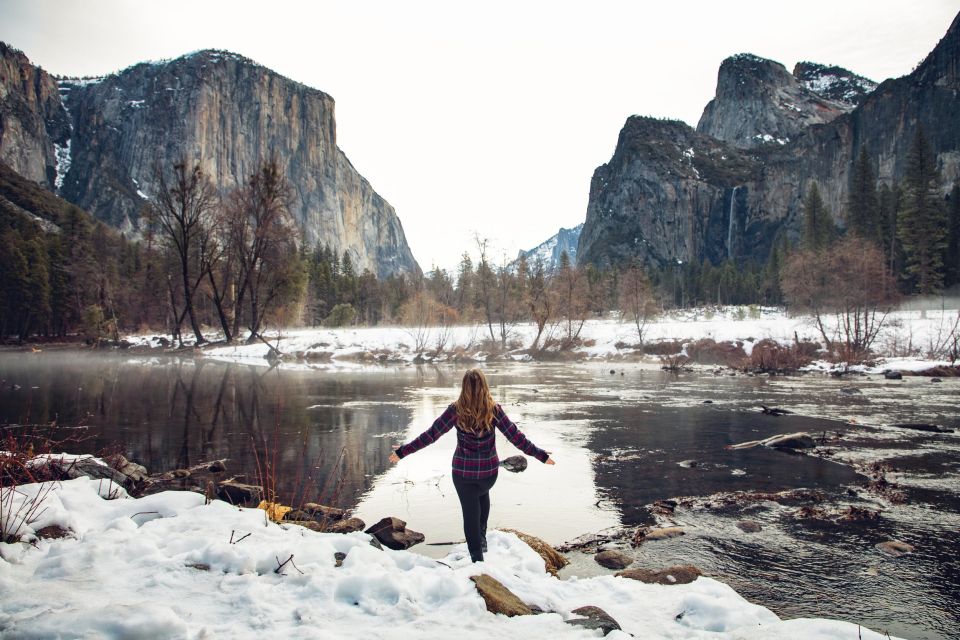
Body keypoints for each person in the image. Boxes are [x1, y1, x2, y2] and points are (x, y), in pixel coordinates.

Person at [388, 368, 555, 562]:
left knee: (470, 515)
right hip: (488, 473)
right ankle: (481, 540)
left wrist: (403, 451)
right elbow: (516, 437)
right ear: (485, 386)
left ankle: (477, 559)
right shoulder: (494, 410)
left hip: (463, 473)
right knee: (482, 497)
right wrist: (541, 455)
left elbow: (431, 435)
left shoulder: (455, 410)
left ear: (464, 388)